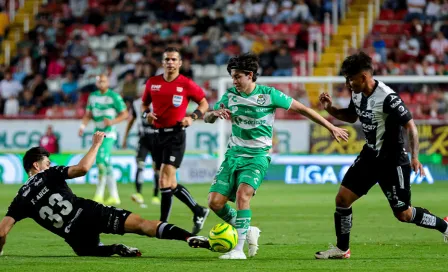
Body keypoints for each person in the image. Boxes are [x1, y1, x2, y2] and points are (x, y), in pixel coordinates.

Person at [204, 53, 349, 259]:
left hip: (257, 156)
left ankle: (238, 250)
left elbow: (303, 109)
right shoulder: (229, 96)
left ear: (250, 75)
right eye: (232, 76)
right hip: (233, 155)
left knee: (242, 196)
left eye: (237, 76)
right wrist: (214, 114)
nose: (234, 81)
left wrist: (331, 126)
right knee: (214, 203)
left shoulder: (269, 95)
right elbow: (208, 117)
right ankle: (248, 229)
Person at [315, 51, 448, 259]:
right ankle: (342, 249)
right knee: (342, 199)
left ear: (364, 77)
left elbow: (411, 127)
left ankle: (444, 225)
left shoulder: (388, 97)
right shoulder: (357, 93)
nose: (347, 84)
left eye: (350, 79)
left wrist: (414, 157)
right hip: (370, 156)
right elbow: (351, 116)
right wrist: (330, 108)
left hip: (393, 161)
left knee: (403, 214)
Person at [0, 132, 209, 257]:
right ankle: (188, 237)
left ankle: (114, 248)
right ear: (37, 165)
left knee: (86, 250)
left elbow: (2, 232)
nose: (50, 164)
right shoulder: (48, 174)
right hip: (90, 213)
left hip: (75, 238)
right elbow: (82, 169)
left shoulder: (20, 199)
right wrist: (96, 144)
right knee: (143, 226)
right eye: (47, 162)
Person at [142, 47, 210, 235]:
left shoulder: (186, 84)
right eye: (167, 60)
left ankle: (162, 224)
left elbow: (204, 103)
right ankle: (198, 210)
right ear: (162, 63)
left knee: (164, 178)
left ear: (179, 63)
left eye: (174, 59)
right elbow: (144, 104)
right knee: (168, 182)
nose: (170, 62)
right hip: (157, 134)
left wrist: (192, 117)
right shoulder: (152, 83)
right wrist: (146, 114)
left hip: (176, 134)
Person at [78, 74, 128, 205]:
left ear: (108, 82)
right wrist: (82, 126)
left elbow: (125, 114)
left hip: (109, 133)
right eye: (99, 81)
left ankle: (99, 194)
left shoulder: (114, 96)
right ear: (96, 83)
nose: (101, 83)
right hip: (97, 132)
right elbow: (88, 114)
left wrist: (112, 121)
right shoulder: (93, 96)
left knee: (101, 161)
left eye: (104, 81)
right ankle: (114, 196)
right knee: (106, 162)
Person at [122, 97, 160, 208]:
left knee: (157, 169)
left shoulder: (160, 100)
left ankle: (155, 196)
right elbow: (132, 120)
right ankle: (139, 194)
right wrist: (125, 137)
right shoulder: (137, 103)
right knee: (140, 165)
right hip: (143, 140)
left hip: (158, 140)